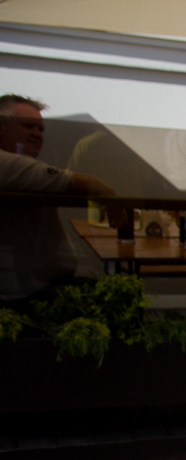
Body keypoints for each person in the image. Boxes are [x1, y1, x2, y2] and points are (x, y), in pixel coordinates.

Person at [0, 95, 118, 304]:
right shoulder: (7, 164)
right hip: (26, 297)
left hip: (44, 286)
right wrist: (111, 198)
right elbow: (81, 184)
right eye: (28, 126)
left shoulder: (19, 168)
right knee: (121, 301)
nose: (37, 134)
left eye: (40, 129)